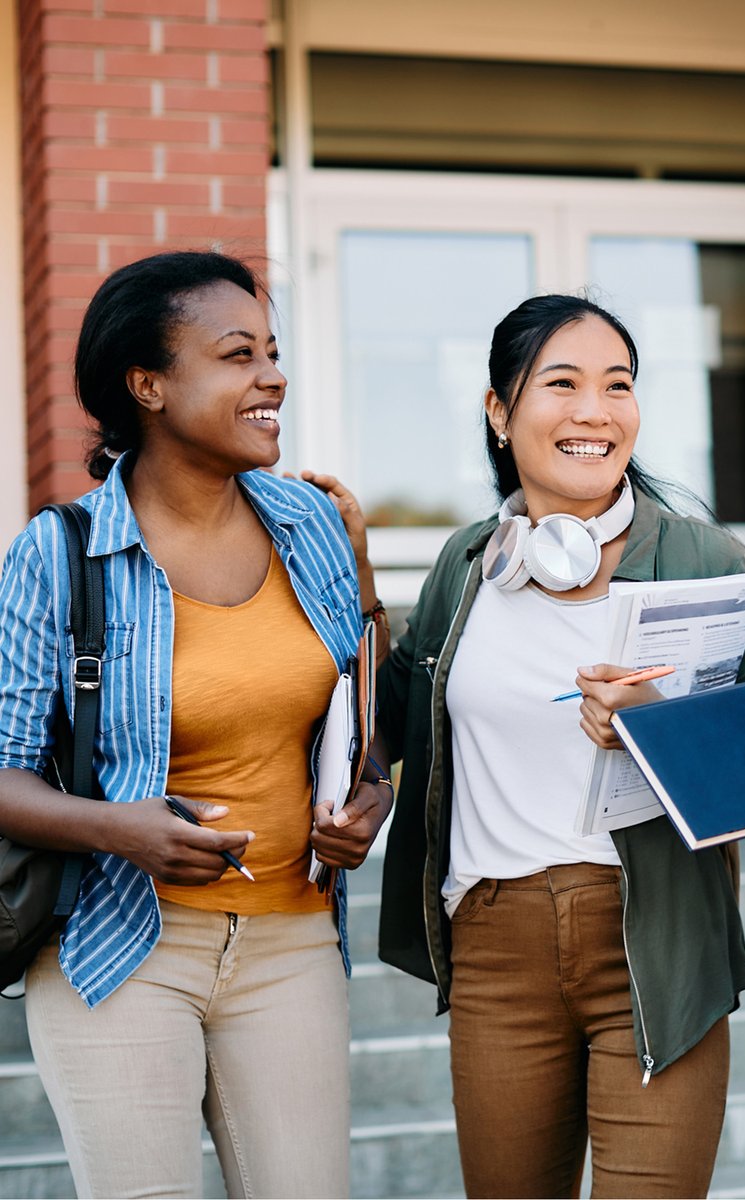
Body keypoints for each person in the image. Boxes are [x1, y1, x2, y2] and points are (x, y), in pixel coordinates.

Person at [308, 293, 745, 1198]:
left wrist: (687, 747)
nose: (596, 411)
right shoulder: (465, 566)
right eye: (562, 384)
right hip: (494, 947)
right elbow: (388, 722)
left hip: (655, 949)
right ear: (499, 411)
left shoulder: (713, 565)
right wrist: (355, 576)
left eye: (618, 385)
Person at [0, 251, 392, 1198]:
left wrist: (369, 795)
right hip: (120, 945)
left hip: (293, 941)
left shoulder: (310, 523)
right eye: (238, 355)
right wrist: (117, 829)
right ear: (150, 386)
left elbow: (358, 711)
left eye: (273, 352)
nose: (273, 377)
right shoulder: (60, 553)